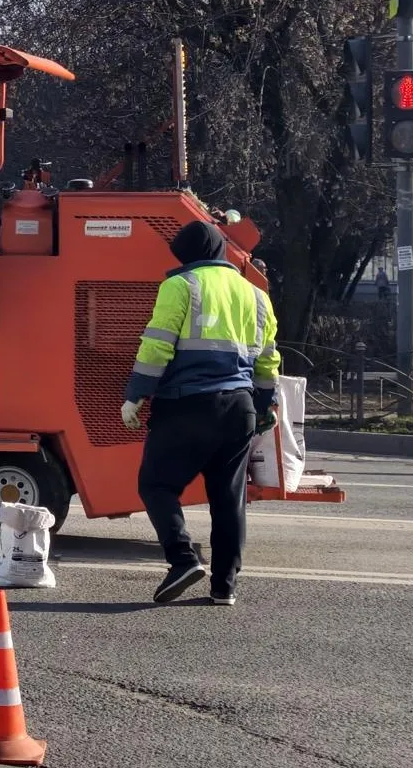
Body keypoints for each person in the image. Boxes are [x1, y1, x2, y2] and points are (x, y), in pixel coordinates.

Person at [121, 219, 279, 606]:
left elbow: (157, 345)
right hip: (238, 407)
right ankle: (224, 586)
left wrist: (136, 395)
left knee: (156, 485)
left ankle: (182, 560)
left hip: (186, 405)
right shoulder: (255, 294)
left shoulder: (180, 286)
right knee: (228, 498)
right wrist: (264, 406)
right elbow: (268, 358)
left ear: (188, 256)